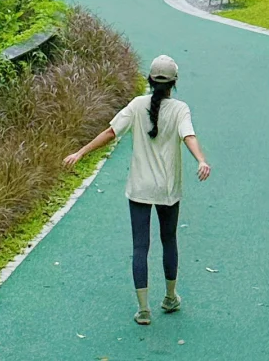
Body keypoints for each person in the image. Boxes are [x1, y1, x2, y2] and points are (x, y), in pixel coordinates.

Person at [63, 54, 211, 326]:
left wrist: (80, 152)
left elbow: (110, 132)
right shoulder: (180, 109)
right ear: (174, 83)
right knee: (169, 241)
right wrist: (201, 160)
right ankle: (169, 297)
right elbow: (188, 135)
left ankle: (143, 309)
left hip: (139, 187)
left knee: (140, 247)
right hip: (168, 188)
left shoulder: (136, 105)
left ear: (150, 80)